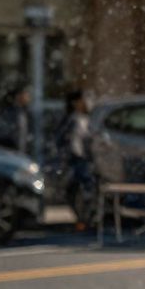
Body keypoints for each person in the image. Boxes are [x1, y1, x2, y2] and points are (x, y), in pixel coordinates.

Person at [56, 90, 96, 224]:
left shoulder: (84, 119)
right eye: (82, 100)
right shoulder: (72, 120)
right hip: (76, 160)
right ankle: (84, 218)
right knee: (82, 188)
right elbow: (67, 141)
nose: (86, 103)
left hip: (82, 159)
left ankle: (84, 217)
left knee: (81, 188)